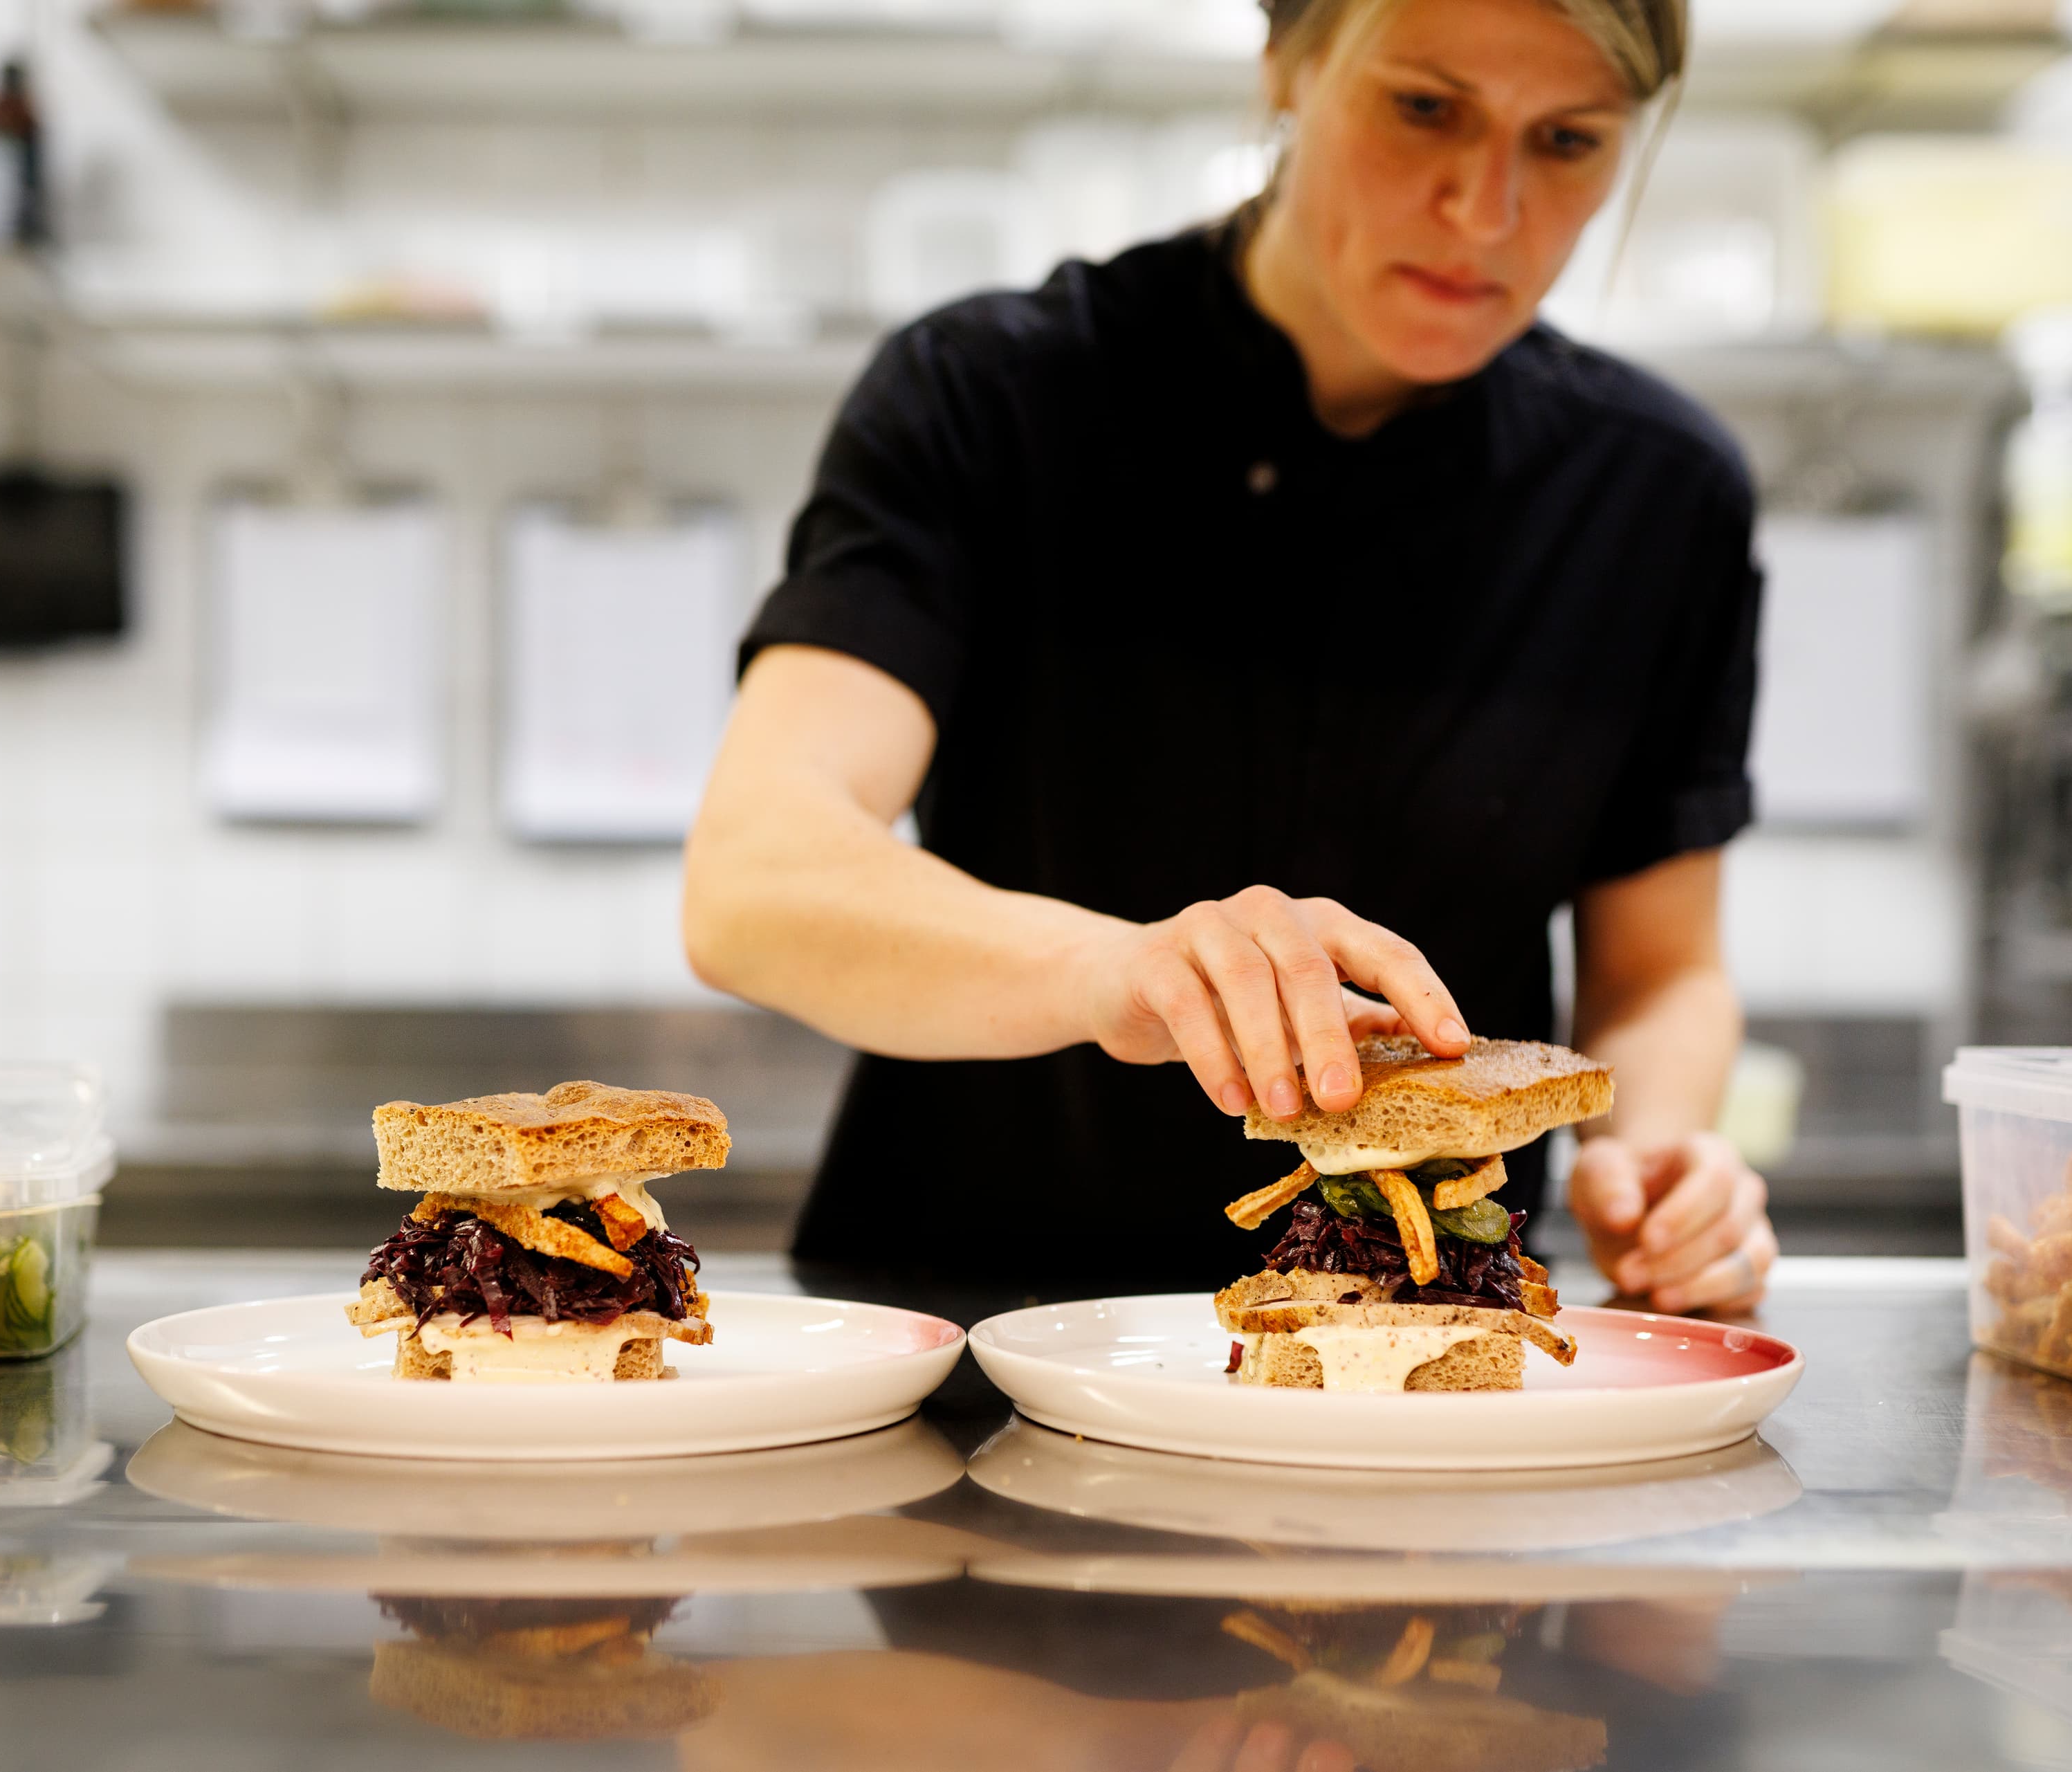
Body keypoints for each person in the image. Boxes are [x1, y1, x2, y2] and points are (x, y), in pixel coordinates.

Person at [684, 0, 1777, 1316]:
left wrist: (1655, 1149)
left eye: (1568, 140)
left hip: (1419, 1345)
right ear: (1287, 64)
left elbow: (1661, 970)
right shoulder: (986, 395)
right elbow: (756, 880)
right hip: (973, 1319)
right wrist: (1118, 974)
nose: (1487, 211)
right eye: (1425, 108)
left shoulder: (1659, 495)